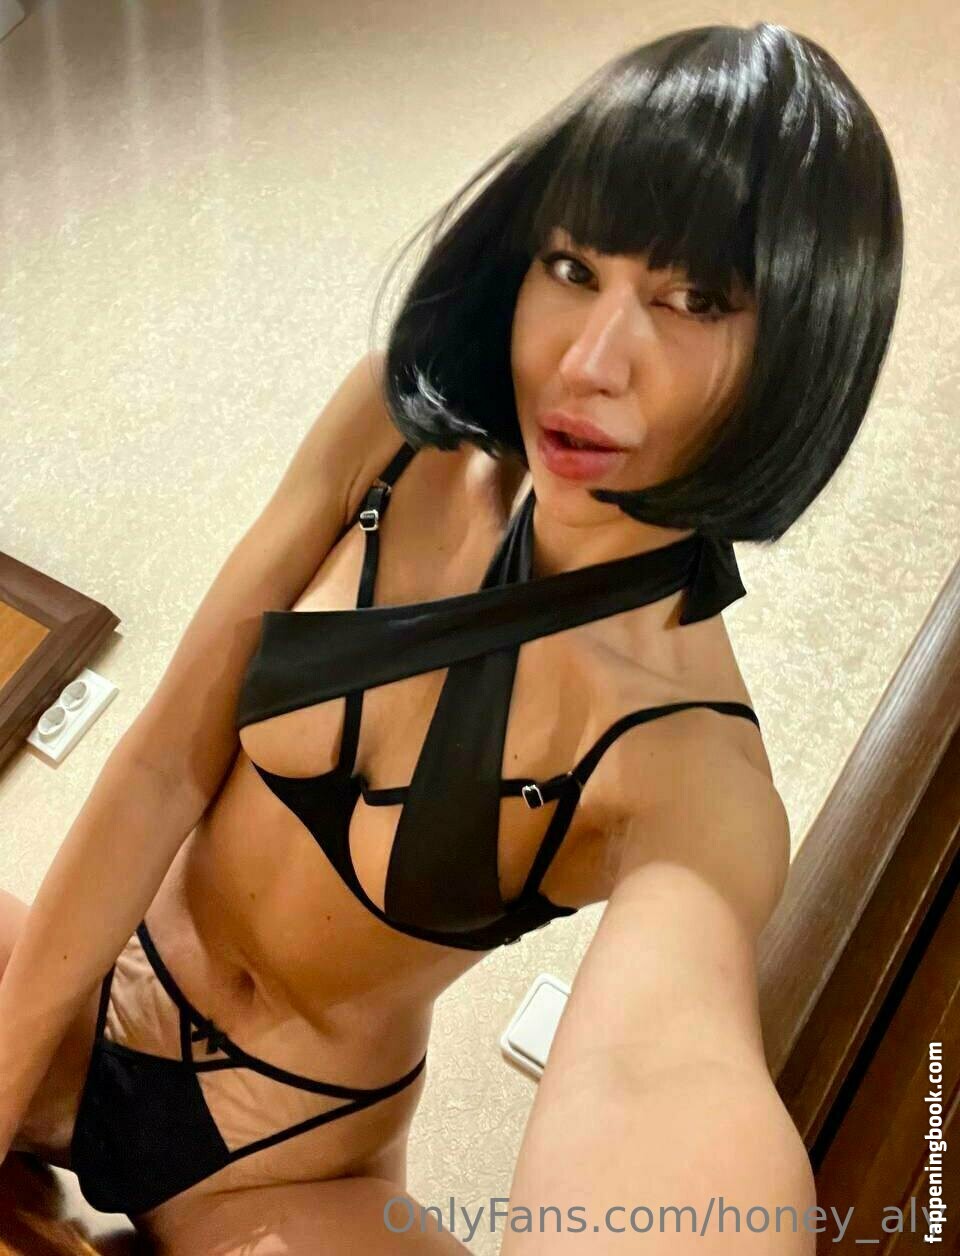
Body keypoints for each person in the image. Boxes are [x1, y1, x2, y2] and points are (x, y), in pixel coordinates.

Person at [0, 20, 901, 1255]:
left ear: (798, 357)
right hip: (82, 984)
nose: (589, 362)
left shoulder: (697, 775)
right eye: (574, 265)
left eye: (694, 301)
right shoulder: (392, 435)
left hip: (280, 1166)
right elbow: (163, 763)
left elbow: (664, 1075)